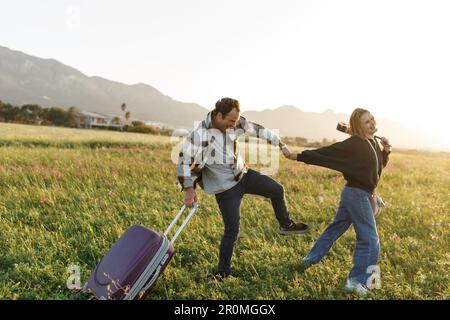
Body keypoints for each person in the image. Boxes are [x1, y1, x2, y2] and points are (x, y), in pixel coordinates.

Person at [177, 97, 309, 278]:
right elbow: (184, 160)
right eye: (231, 121)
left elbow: (259, 130)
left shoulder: (236, 122)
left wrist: (282, 146)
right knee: (232, 230)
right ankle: (223, 273)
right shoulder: (200, 134)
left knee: (277, 189)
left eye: (236, 121)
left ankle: (285, 225)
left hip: (243, 174)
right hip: (225, 187)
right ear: (218, 115)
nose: (234, 125)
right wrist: (189, 190)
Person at [282, 108, 391, 295]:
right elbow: (326, 153)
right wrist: (297, 156)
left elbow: (377, 166)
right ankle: (355, 281)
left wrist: (386, 150)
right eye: (367, 122)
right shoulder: (354, 143)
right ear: (358, 126)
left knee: (335, 228)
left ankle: (309, 260)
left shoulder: (372, 142)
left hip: (359, 193)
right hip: (356, 194)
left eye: (372, 119)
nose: (372, 123)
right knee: (370, 239)